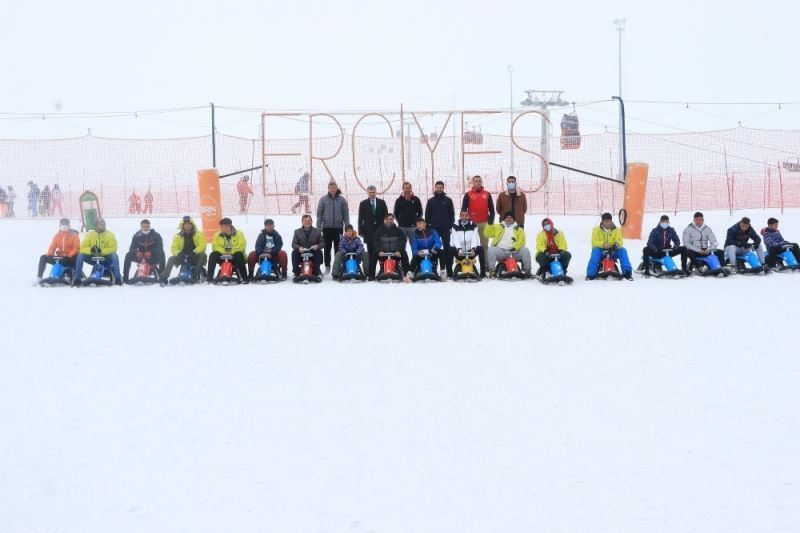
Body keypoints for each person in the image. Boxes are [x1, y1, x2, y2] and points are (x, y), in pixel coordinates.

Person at [74, 218, 122, 285]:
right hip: (94, 258)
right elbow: (82, 248)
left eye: (104, 224)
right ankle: (77, 279)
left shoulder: (109, 235)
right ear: (96, 226)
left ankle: (118, 279)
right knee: (80, 255)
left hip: (106, 259)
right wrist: (91, 250)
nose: (103, 226)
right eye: (101, 225)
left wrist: (101, 251)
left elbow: (114, 248)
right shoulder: (90, 235)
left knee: (114, 255)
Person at [483, 211, 532, 277]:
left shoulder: (519, 229)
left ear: (514, 219)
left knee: (525, 250)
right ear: (504, 219)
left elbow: (522, 241)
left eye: (511, 217)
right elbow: (487, 234)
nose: (509, 219)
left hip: (514, 252)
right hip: (501, 252)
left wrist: (515, 248)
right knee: (491, 249)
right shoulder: (498, 227)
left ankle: (527, 271)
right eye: (507, 217)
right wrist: (489, 224)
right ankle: (492, 271)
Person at [586, 212, 633, 280]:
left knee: (623, 250)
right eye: (606, 221)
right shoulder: (596, 230)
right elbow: (594, 242)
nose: (608, 223)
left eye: (609, 221)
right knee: (595, 251)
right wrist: (603, 244)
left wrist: (616, 245)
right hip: (601, 252)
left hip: (612, 251)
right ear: (602, 221)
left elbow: (620, 241)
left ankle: (627, 272)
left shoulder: (616, 230)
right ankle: (590, 274)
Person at [316, 180, 349, 273]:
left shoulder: (342, 200)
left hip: (338, 228)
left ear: (336, 188)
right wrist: (318, 227)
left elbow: (346, 214)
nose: (332, 189)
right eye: (330, 188)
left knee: (338, 248)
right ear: (328, 189)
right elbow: (319, 214)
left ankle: (337, 265)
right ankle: (327, 266)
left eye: (334, 187)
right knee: (327, 248)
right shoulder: (323, 199)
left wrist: (347, 226)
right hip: (326, 228)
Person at [162, 216, 208, 283]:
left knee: (203, 255)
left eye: (189, 224)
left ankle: (194, 275)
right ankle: (164, 277)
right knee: (171, 258)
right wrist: (179, 253)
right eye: (185, 224)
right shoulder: (178, 236)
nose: (187, 225)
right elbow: (174, 248)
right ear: (182, 225)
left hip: (195, 256)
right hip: (182, 257)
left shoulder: (198, 234)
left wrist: (194, 252)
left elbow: (202, 246)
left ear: (192, 225)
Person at [462, 175, 495, 263]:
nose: (478, 183)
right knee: (469, 245)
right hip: (472, 223)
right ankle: (469, 265)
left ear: (481, 182)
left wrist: (490, 221)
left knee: (484, 245)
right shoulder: (468, 194)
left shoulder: (487, 194)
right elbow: (464, 209)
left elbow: (491, 209)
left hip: (484, 223)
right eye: (476, 181)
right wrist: (465, 221)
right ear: (473, 183)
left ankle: (486, 265)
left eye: (479, 181)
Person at [424, 180, 455, 275]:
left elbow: (452, 214)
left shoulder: (448, 200)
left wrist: (450, 226)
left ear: (443, 188)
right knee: (434, 248)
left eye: (441, 187)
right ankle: (434, 268)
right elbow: (427, 215)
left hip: (445, 228)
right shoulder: (430, 201)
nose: (439, 189)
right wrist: (428, 226)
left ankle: (449, 269)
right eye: (437, 187)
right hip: (434, 229)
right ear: (435, 188)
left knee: (447, 248)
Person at [123, 219, 166, 283]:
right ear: (141, 227)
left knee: (162, 253)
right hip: (141, 256)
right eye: (143, 226)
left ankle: (162, 277)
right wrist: (137, 252)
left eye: (147, 226)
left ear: (149, 227)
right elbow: (132, 248)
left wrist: (151, 252)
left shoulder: (156, 235)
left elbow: (160, 247)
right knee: (128, 255)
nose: (145, 228)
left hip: (152, 257)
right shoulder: (136, 236)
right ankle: (125, 278)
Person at [370, 212, 410, 280]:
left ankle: (406, 274)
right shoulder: (379, 231)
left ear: (393, 220)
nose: (389, 221)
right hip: (383, 254)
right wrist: (380, 250)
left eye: (391, 219)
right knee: (374, 253)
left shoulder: (399, 231)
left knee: (404, 253)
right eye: (387, 219)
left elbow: (402, 241)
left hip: (395, 254)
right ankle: (371, 276)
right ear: (384, 220)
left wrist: (398, 250)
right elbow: (375, 242)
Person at [207, 217, 248, 282]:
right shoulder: (217, 235)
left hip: (235, 257)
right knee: (213, 255)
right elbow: (215, 247)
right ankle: (209, 278)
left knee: (239, 255)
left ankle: (245, 278)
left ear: (230, 226)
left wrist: (231, 252)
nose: (223, 228)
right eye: (221, 227)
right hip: (223, 256)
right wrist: (224, 252)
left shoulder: (239, 234)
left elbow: (242, 246)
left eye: (225, 226)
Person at [449, 209, 485, 278]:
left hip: (470, 252)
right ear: (460, 216)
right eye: (462, 215)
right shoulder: (455, 226)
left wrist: (473, 249)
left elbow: (475, 238)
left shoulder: (473, 225)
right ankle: (450, 274)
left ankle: (483, 273)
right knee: (451, 249)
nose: (464, 217)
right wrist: (459, 249)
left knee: (480, 248)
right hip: (460, 253)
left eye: (466, 215)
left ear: (469, 216)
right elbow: (455, 239)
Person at [357, 185, 388, 256]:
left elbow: (386, 216)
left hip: (380, 230)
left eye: (373, 192)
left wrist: (386, 229)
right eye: (370, 192)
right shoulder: (363, 204)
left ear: (376, 192)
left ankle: (382, 267)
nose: (372, 194)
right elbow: (360, 218)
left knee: (381, 251)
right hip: (368, 231)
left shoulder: (382, 202)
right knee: (370, 252)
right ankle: (371, 267)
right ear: (367, 193)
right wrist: (360, 231)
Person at [393, 182, 423, 247]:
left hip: (413, 227)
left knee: (414, 246)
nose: (407, 190)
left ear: (411, 188)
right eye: (405, 188)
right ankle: (403, 258)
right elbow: (395, 213)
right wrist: (400, 221)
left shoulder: (416, 199)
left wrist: (416, 222)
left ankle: (415, 257)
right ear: (403, 189)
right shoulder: (399, 200)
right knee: (401, 247)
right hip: (402, 227)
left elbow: (420, 212)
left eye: (408, 188)